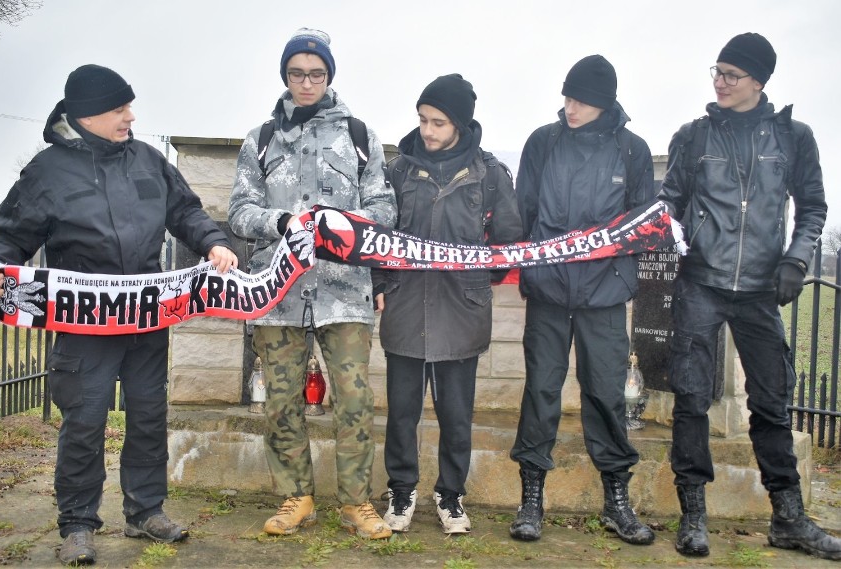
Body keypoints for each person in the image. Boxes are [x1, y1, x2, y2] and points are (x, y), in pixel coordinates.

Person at [0, 64, 238, 566]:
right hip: (83, 324)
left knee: (148, 414)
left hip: (147, 317)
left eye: (129, 106)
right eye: (119, 109)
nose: (131, 116)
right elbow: (9, 235)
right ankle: (78, 524)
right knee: (84, 421)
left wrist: (213, 243)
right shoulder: (47, 171)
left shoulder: (149, 160)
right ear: (86, 116)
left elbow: (186, 212)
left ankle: (146, 512)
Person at [658, 33, 839, 560]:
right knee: (691, 399)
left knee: (773, 401)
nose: (720, 81)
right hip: (700, 283)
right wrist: (662, 231)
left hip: (761, 289)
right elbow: (669, 202)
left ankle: (790, 519)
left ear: (760, 81)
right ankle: (693, 516)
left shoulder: (794, 138)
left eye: (732, 74)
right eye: (716, 70)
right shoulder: (693, 137)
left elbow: (813, 208)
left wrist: (797, 259)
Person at [228, 28, 396, 540]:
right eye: (298, 73)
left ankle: (356, 503)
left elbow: (385, 209)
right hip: (278, 294)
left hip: (343, 292)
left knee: (353, 400)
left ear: (329, 77)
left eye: (317, 74)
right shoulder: (260, 139)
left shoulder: (359, 135)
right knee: (280, 401)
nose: (307, 82)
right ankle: (295, 496)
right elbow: (239, 211)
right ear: (285, 75)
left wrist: (339, 224)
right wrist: (282, 223)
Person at [508, 55, 656, 545]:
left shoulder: (632, 152)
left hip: (604, 297)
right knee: (542, 393)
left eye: (581, 100)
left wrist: (615, 271)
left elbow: (640, 226)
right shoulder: (542, 143)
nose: (569, 107)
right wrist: (533, 268)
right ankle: (531, 499)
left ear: (604, 102)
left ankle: (617, 499)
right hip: (549, 293)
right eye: (567, 97)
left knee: (606, 396)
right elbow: (524, 212)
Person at [374, 74, 523, 534]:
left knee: (457, 413)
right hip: (404, 305)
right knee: (401, 412)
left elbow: (508, 241)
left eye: (438, 122)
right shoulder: (397, 171)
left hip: (462, 309)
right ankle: (401, 491)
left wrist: (477, 280)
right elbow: (376, 234)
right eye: (422, 119)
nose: (428, 131)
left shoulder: (490, 174)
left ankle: (451, 494)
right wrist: (382, 280)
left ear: (459, 123)